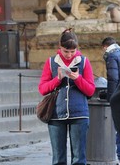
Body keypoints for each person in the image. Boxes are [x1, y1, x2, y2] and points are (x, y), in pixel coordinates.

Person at [38, 29, 96, 165]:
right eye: (66, 51)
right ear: (60, 47)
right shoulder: (51, 62)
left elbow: (91, 91)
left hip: (79, 114)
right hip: (56, 114)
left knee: (79, 159)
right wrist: (57, 79)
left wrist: (78, 79)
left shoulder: (84, 61)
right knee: (58, 159)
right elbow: (42, 89)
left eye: (72, 51)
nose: (69, 55)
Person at [101, 36, 120, 161]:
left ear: (105, 47)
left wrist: (110, 99)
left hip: (119, 97)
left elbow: (113, 79)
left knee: (118, 129)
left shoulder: (112, 56)